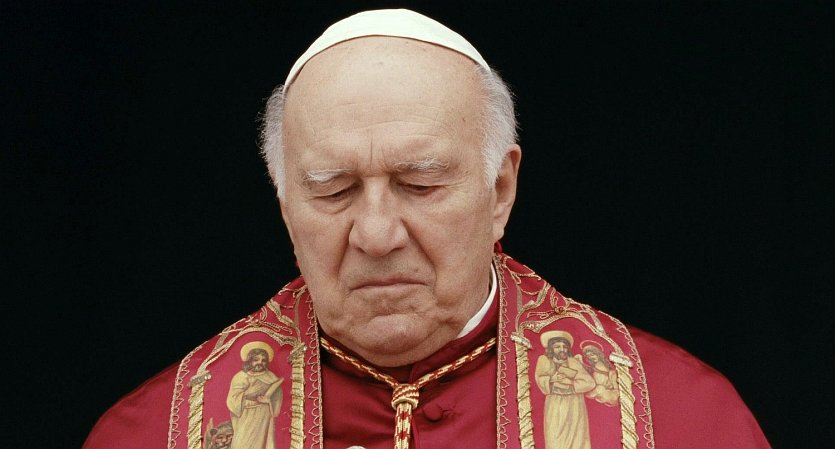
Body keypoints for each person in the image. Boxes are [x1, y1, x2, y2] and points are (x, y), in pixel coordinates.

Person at [83, 9, 771, 449]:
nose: (377, 234)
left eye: (420, 185)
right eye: (333, 190)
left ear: (499, 191)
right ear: (285, 203)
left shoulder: (683, 420)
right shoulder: (152, 435)